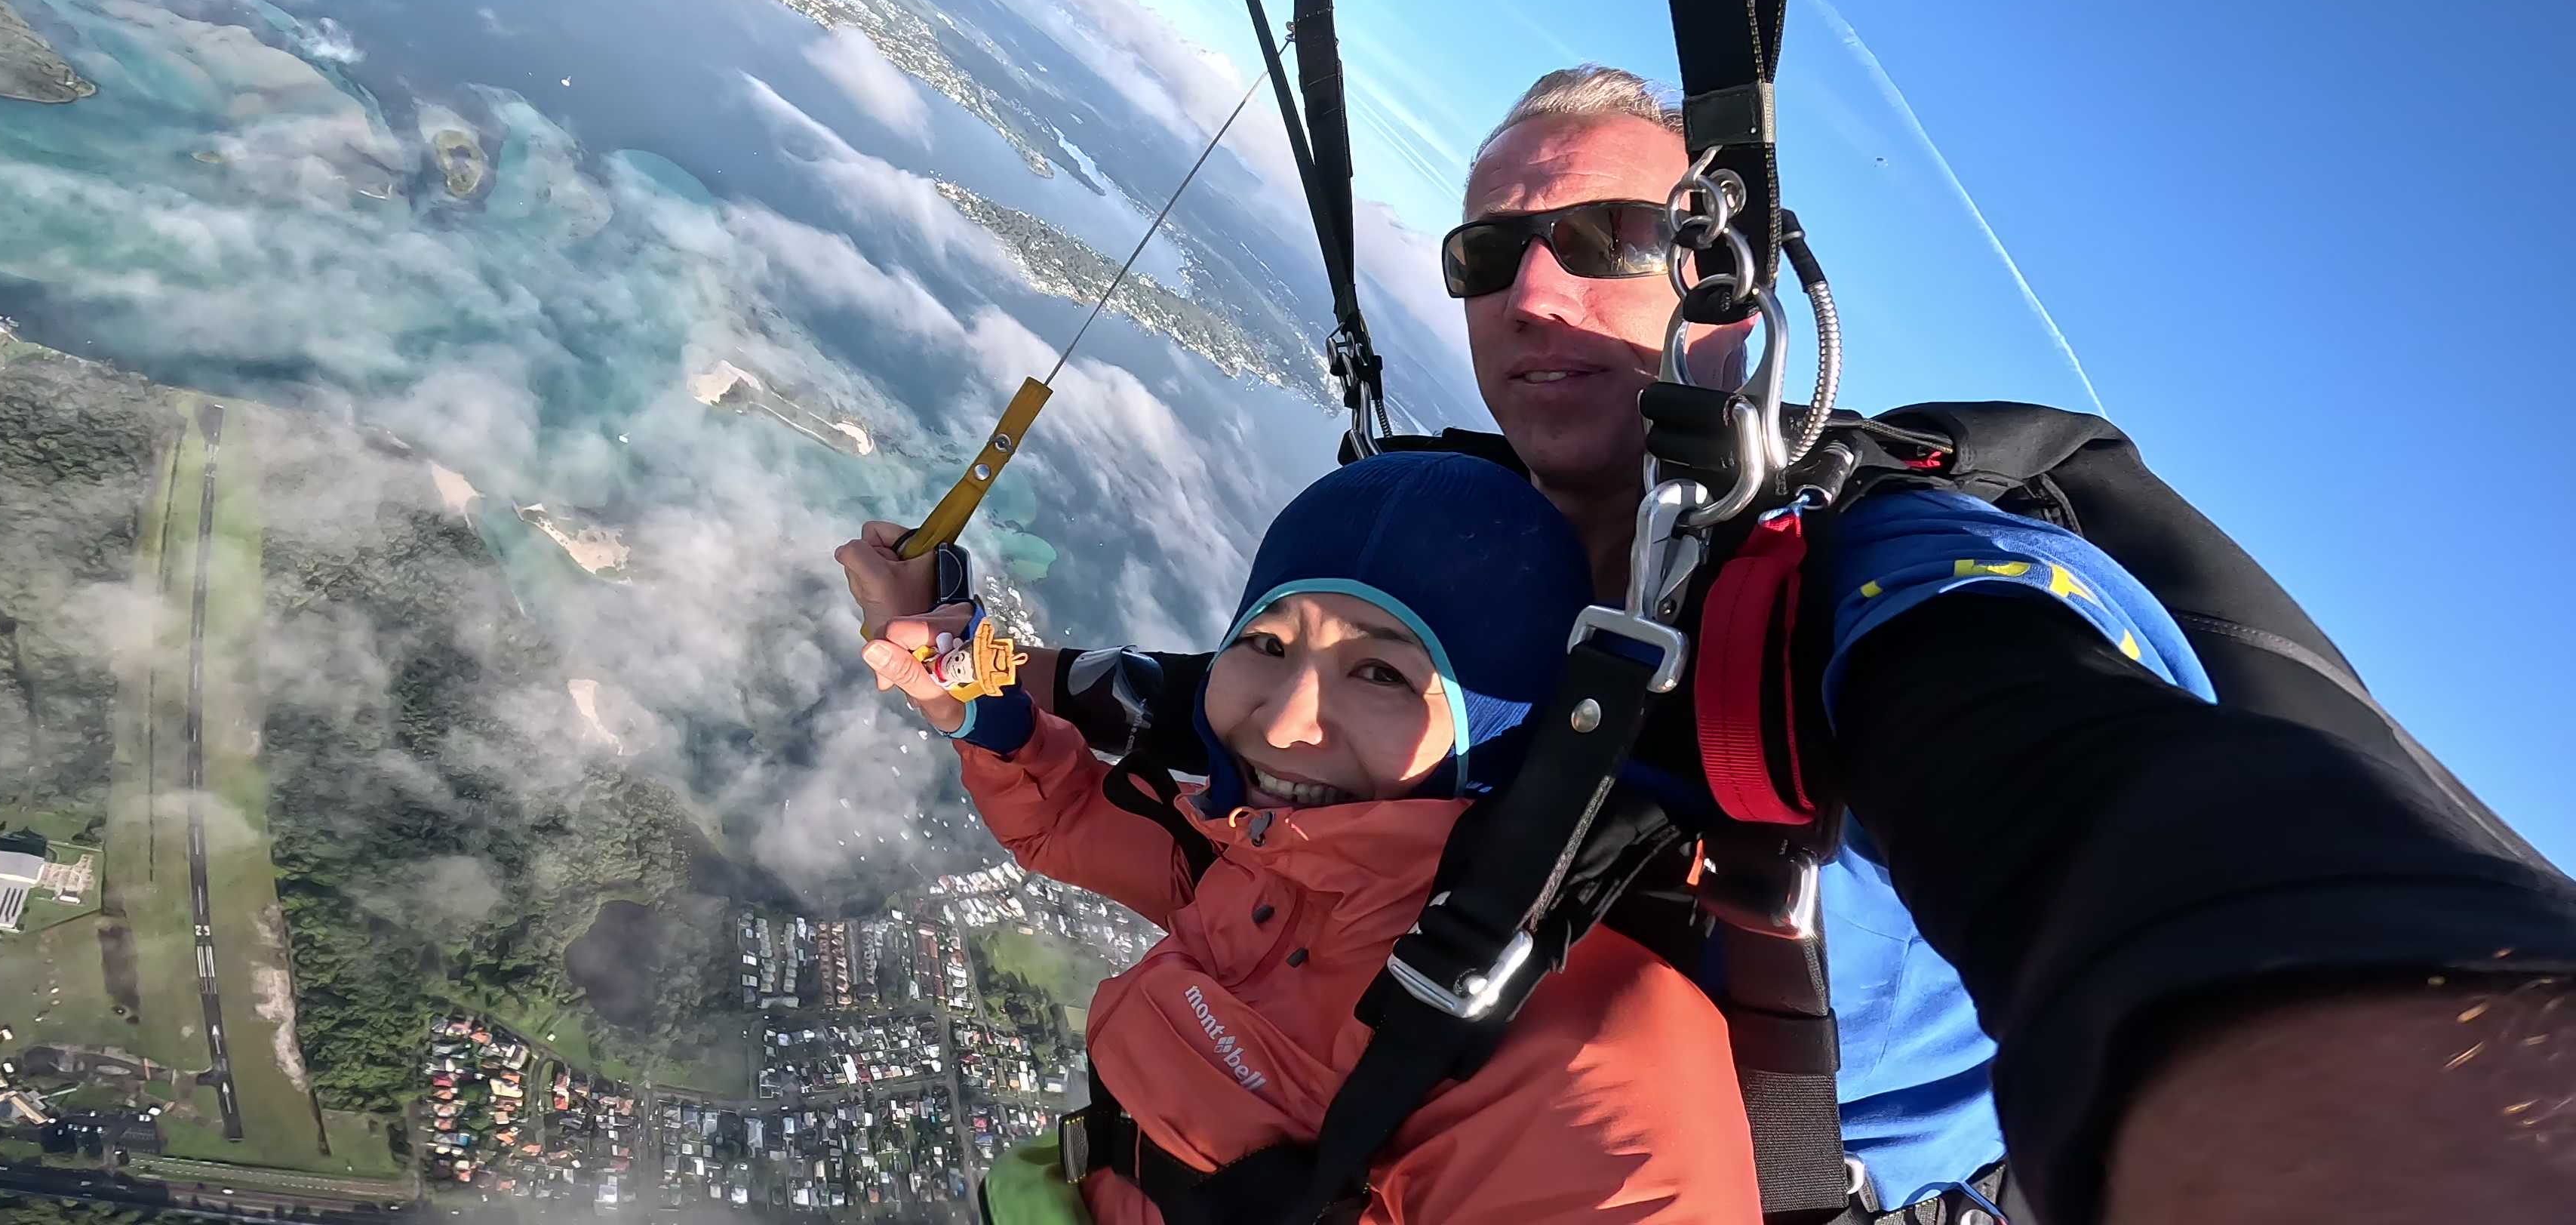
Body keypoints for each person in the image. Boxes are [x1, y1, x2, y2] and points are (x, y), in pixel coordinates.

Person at [844, 67, 2576, 1223]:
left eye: (1599, 242)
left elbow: (2062, 767)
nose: (1530, 292)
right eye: (1486, 250)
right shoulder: (1460, 548)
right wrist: (957, 661)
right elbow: (1209, 747)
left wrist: (2305, 1042)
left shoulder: (1869, 569)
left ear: (1727, 294)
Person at [864, 452, 1764, 1222]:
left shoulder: (1597, 1071)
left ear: (1498, 732)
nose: (1287, 722)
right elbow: (1068, 821)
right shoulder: (1268, 859)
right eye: (1266, 643)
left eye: (1379, 671)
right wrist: (974, 706)